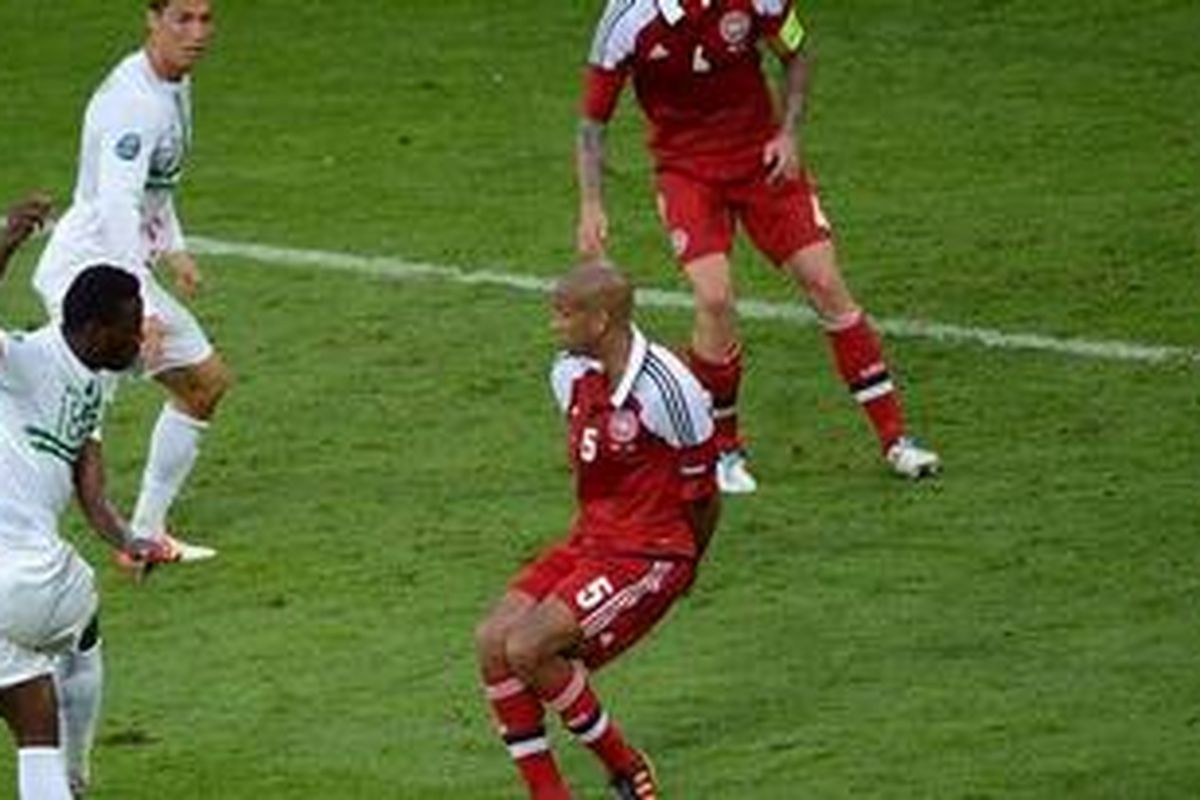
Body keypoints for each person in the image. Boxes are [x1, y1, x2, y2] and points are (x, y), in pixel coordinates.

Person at [576, 0, 941, 493]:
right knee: (714, 299)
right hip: (687, 174)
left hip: (762, 163)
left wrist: (789, 134)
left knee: (826, 284)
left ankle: (897, 440)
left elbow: (798, 54)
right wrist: (592, 205)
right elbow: (592, 123)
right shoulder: (627, 18)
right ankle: (723, 451)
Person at [475, 262, 721, 800]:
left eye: (564, 314)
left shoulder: (668, 388)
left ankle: (627, 769)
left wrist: (687, 567)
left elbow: (703, 494)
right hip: (590, 541)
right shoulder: (569, 374)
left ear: (601, 319)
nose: (554, 326)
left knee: (528, 649)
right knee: (493, 640)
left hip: (650, 553)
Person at [32, 0, 224, 560]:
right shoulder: (134, 104)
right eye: (182, 19)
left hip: (118, 265)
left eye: (206, 19)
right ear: (152, 17)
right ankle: (32, 531)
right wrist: (140, 308)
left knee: (204, 383)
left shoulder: (170, 83)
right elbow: (117, 205)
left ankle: (144, 532)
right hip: (90, 275)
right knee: (72, 410)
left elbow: (152, 190)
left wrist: (175, 248)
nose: (197, 33)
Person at [1, 197, 163, 799]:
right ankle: (78, 777)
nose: (141, 332)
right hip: (23, 573)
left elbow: (88, 487)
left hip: (7, 582)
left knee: (32, 717)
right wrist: (8, 240)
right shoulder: (22, 359)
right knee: (81, 627)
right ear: (96, 330)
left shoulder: (95, 384)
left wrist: (128, 539)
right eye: (132, 322)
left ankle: (65, 781)